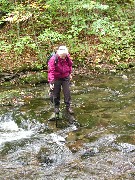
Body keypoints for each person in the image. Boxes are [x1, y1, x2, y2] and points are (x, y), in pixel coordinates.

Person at [48, 45, 74, 115]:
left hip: (65, 77)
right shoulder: (53, 59)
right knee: (56, 93)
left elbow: (70, 65)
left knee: (67, 92)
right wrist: (51, 82)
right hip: (56, 78)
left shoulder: (67, 57)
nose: (63, 57)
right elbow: (51, 71)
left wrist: (70, 74)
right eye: (62, 56)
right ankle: (56, 107)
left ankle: (68, 107)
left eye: (64, 55)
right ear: (58, 54)